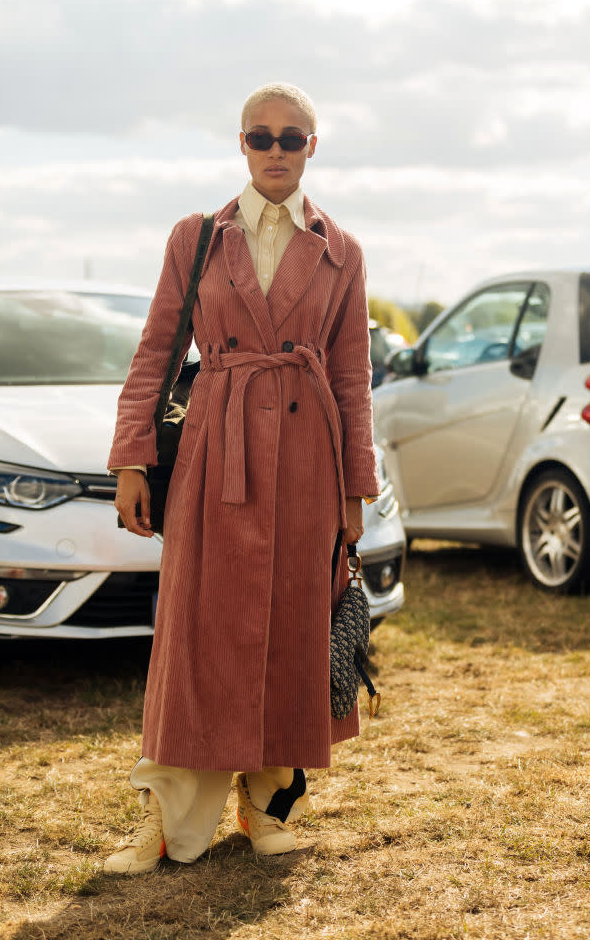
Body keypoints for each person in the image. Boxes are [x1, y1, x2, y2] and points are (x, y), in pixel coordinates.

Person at [104, 82, 378, 874]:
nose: (275, 151)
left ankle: (269, 807)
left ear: (312, 149)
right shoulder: (195, 238)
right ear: (241, 144)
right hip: (212, 456)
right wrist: (132, 459)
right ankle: (169, 821)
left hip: (306, 464)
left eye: (291, 139)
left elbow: (353, 376)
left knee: (294, 631)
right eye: (261, 137)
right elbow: (155, 353)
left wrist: (355, 490)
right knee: (195, 635)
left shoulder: (341, 250)